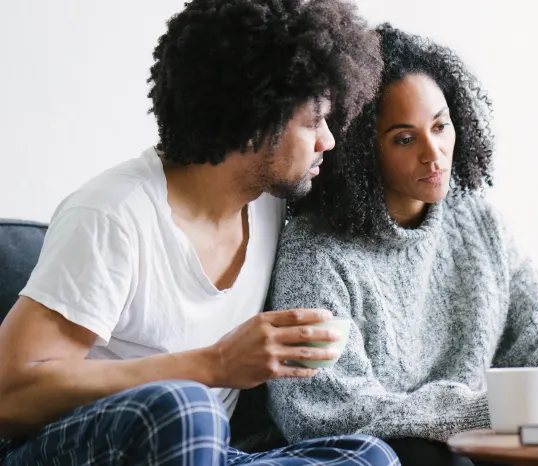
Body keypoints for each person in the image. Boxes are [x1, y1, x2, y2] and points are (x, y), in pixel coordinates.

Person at [0, 1, 400, 465]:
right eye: (313, 122)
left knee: (369, 457)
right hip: (84, 446)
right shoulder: (114, 213)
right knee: (186, 408)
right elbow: (10, 391)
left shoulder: (270, 200)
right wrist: (215, 365)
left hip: (204, 453)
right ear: (255, 121)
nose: (328, 140)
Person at [257, 23, 538, 465]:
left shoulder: (476, 219)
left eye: (440, 126)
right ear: (361, 149)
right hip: (384, 454)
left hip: (472, 441)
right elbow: (322, 409)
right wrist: (479, 410)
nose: (434, 153)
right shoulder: (317, 251)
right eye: (405, 139)